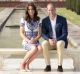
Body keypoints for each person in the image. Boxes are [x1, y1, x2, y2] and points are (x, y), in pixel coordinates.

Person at [42, 3, 68, 72]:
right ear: (47, 10)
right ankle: (48, 66)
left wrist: (57, 40)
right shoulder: (44, 20)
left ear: (55, 9)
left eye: (52, 10)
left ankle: (60, 66)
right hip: (50, 42)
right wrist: (48, 39)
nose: (51, 12)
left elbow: (65, 34)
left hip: (60, 41)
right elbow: (43, 33)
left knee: (60, 43)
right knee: (44, 43)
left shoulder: (62, 19)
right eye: (49, 10)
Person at [20, 2, 42, 72]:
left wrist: (35, 39)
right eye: (29, 9)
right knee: (34, 48)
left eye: (32, 9)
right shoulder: (23, 19)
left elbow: (40, 34)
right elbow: (21, 33)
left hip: (35, 41)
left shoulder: (39, 20)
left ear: (35, 10)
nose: (31, 11)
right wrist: (28, 40)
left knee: (40, 49)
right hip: (26, 41)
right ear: (27, 11)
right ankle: (22, 64)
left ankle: (27, 64)